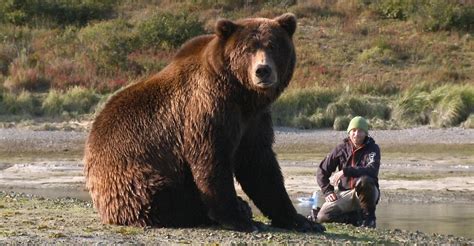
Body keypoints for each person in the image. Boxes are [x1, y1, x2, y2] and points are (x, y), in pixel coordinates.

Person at [311, 116, 380, 228]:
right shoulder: (340, 149)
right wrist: (327, 191)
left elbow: (372, 170)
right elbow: (322, 171)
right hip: (344, 193)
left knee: (365, 180)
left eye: (360, 131)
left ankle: (369, 219)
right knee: (322, 217)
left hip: (366, 193)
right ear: (349, 132)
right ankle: (354, 218)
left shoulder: (373, 148)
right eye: (354, 130)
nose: (356, 134)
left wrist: (346, 171)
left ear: (365, 133)